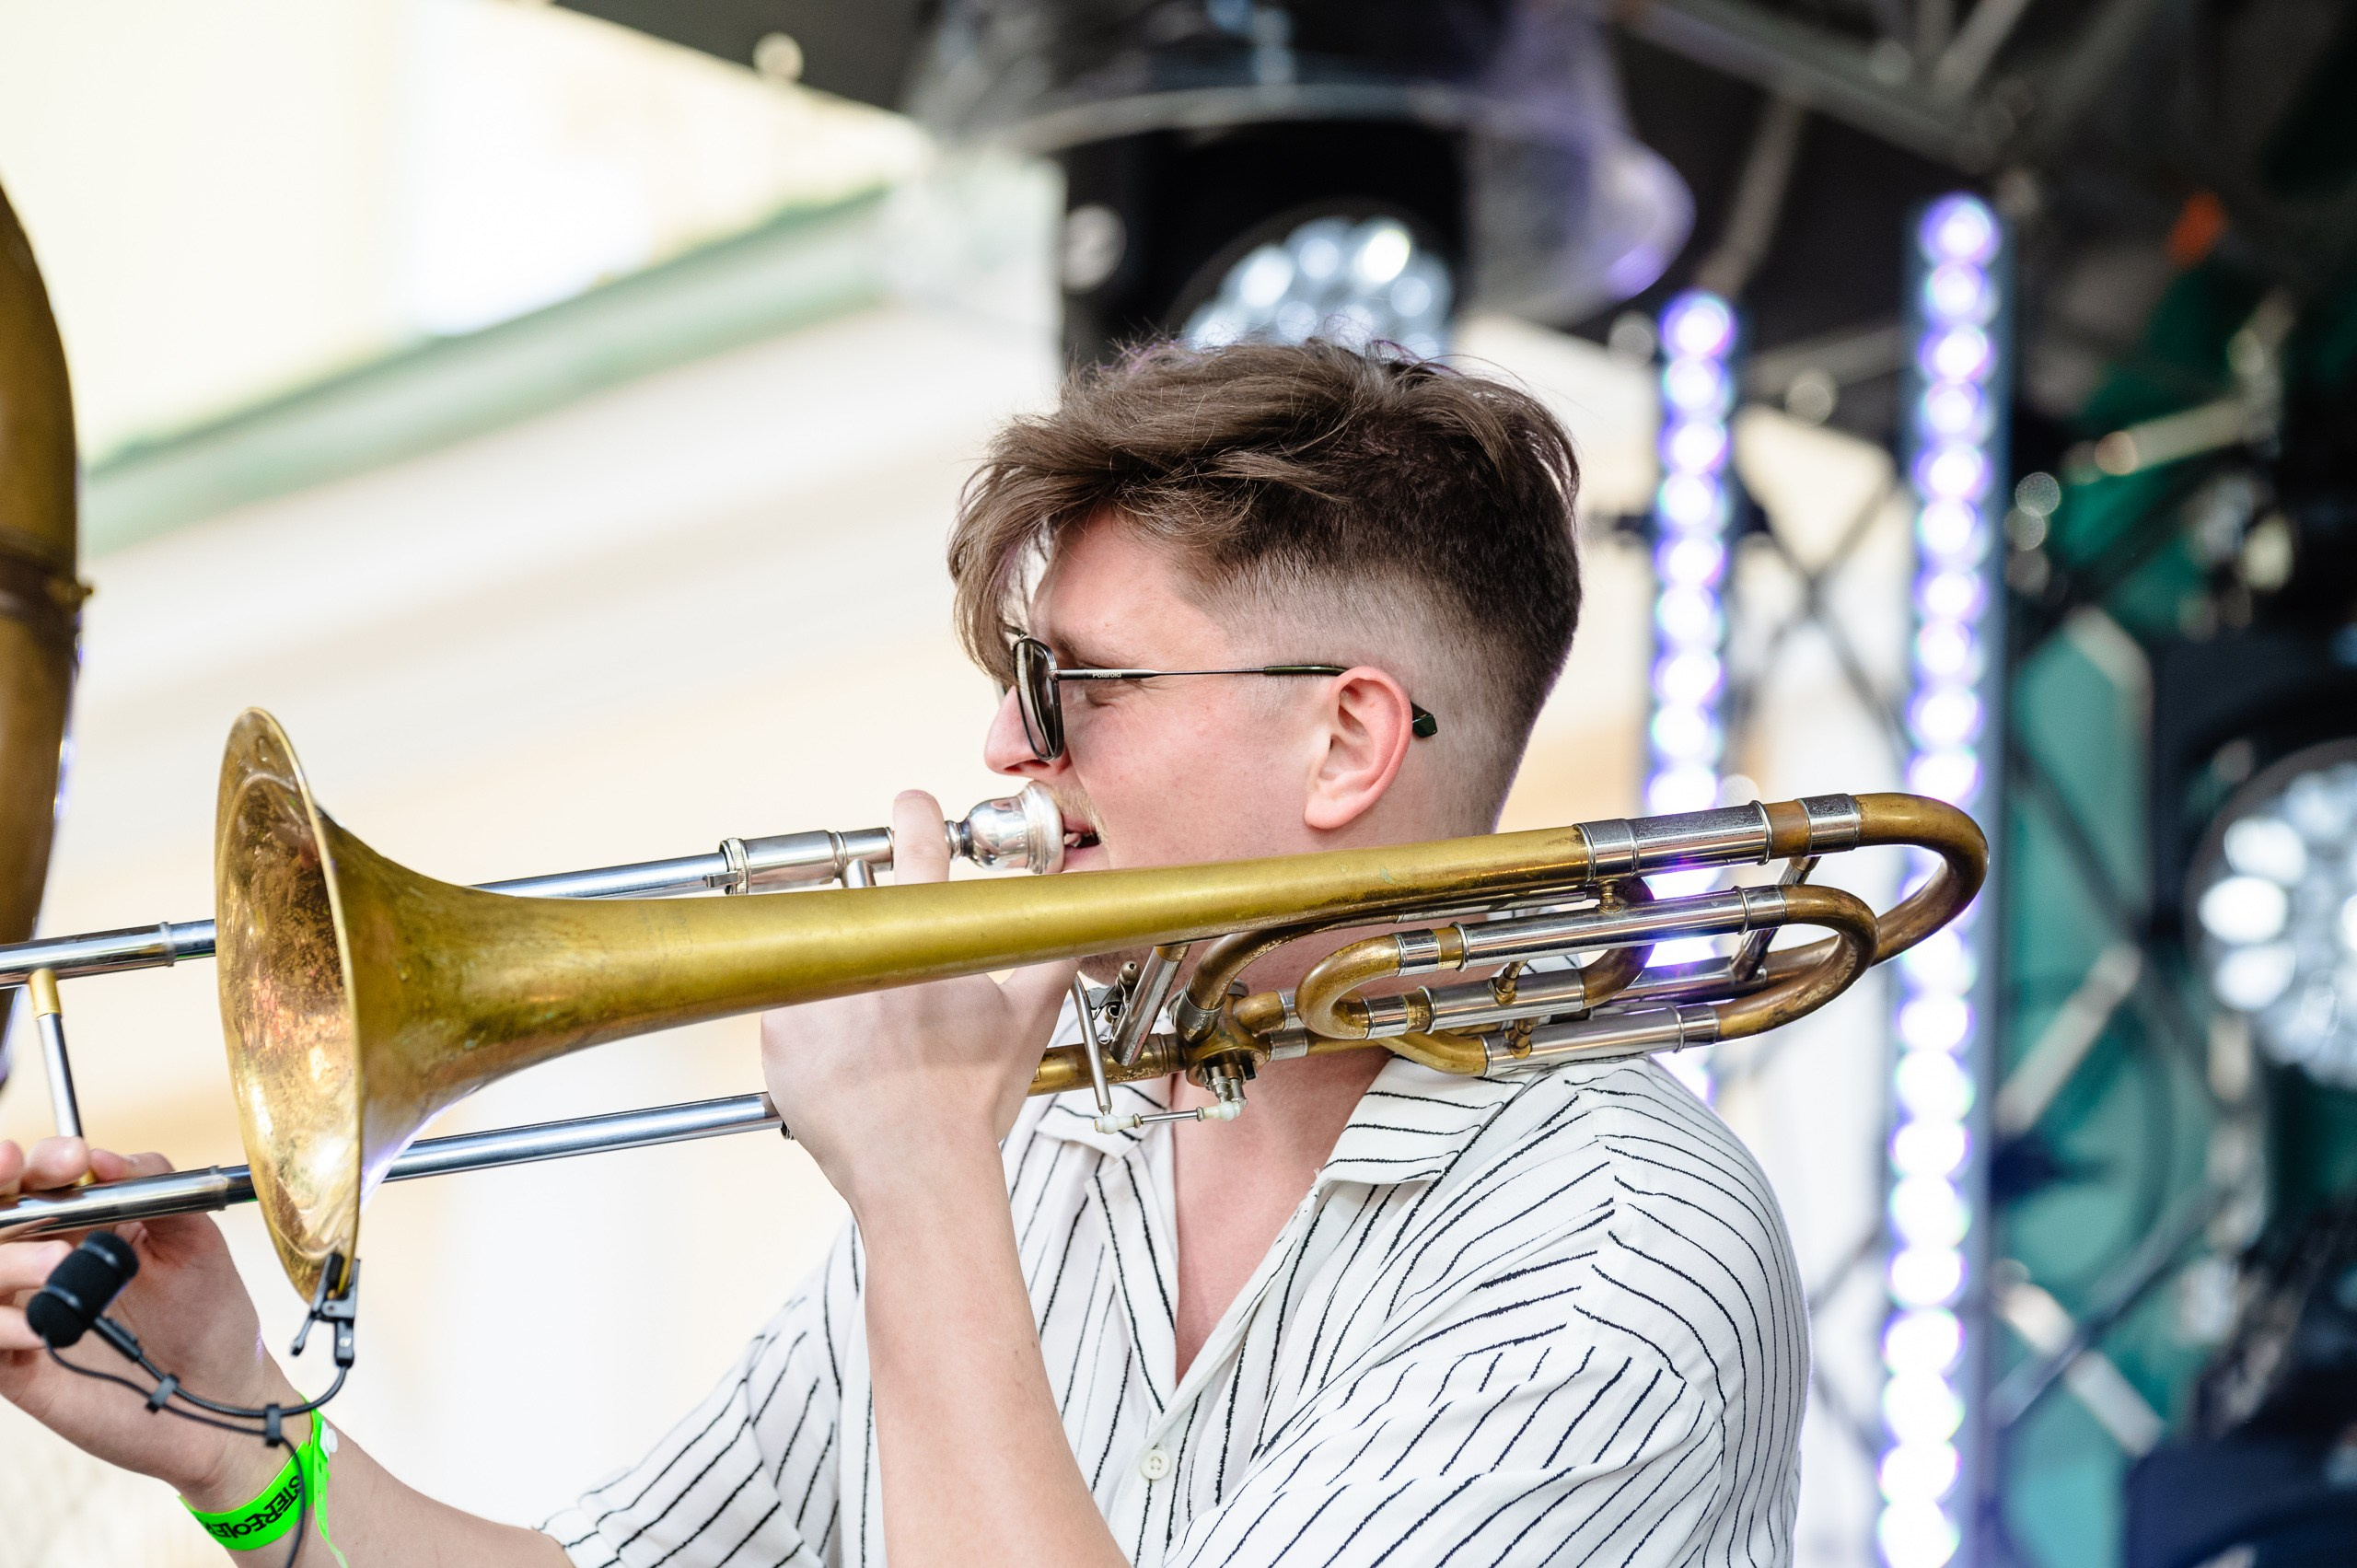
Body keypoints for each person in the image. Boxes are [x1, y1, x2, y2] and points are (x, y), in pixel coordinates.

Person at [0, 340, 1806, 1566]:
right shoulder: (1046, 1155)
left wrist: (928, 1180)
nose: (1012, 754)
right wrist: (235, 1425)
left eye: (1073, 688)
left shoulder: (1618, 1248)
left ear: (1344, 742)